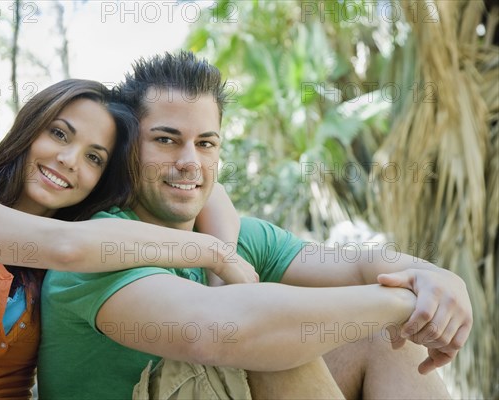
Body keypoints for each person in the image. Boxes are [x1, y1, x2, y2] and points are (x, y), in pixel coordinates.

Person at [37, 52, 473, 399]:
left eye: (205, 143)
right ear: (128, 149)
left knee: (383, 341)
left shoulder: (240, 236)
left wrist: (433, 280)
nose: (190, 162)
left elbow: (361, 264)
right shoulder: (97, 248)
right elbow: (218, 331)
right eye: (166, 140)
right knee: (275, 340)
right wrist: (400, 305)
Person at [0, 79, 258, 400]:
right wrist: (211, 253)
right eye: (58, 134)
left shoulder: (89, 244)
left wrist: (219, 280)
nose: (69, 160)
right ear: (28, 128)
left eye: (94, 157)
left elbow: (214, 193)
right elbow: (63, 246)